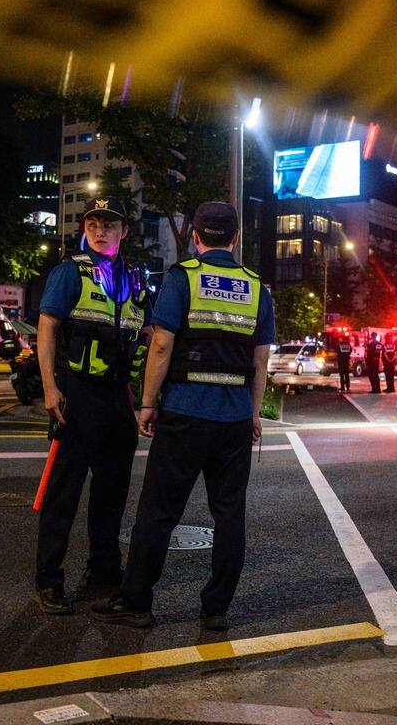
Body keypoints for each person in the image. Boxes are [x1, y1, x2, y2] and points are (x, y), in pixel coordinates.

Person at [91, 201, 274, 631]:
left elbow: (160, 346)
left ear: (194, 237)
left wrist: (148, 401)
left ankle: (136, 601)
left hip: (184, 412)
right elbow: (261, 362)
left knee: (158, 511)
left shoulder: (182, 279)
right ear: (235, 238)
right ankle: (216, 609)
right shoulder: (256, 288)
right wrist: (253, 414)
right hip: (232, 419)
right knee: (229, 514)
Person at [33, 195, 147, 615]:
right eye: (94, 223)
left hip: (118, 398)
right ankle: (49, 581)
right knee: (64, 492)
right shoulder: (69, 273)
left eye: (110, 225)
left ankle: (103, 574)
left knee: (112, 493)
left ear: (124, 232)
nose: (101, 231)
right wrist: (49, 388)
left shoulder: (136, 279)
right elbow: (46, 330)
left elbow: (151, 335)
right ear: (85, 228)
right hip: (76, 394)